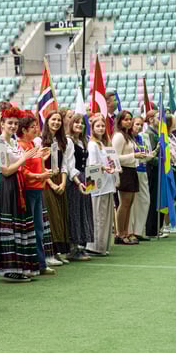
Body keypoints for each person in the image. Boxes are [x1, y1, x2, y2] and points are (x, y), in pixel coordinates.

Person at [0, 107, 39, 281]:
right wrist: (23, 159)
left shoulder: (13, 142)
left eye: (15, 123)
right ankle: (9, 267)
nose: (13, 126)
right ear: (2, 123)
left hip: (18, 183)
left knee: (20, 223)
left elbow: (20, 165)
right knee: (9, 223)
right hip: (6, 185)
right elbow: (5, 171)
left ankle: (21, 266)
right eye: (9, 123)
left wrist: (31, 157)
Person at [18, 115, 55, 276]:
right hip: (29, 190)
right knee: (31, 228)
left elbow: (34, 167)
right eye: (32, 127)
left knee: (39, 228)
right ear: (24, 130)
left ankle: (40, 263)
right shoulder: (21, 146)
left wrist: (44, 169)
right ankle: (34, 264)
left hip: (38, 189)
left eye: (36, 126)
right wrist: (40, 176)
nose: (36, 129)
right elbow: (23, 171)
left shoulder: (33, 144)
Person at [40, 110, 71, 263]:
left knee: (60, 216)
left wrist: (63, 182)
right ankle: (49, 253)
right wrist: (51, 183)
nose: (56, 123)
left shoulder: (62, 141)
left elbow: (64, 164)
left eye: (59, 120)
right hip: (46, 181)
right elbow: (39, 165)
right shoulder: (40, 141)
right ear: (47, 121)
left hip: (59, 180)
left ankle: (57, 251)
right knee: (50, 217)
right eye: (53, 119)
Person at [112, 110, 146, 245]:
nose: (129, 122)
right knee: (124, 204)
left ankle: (125, 232)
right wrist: (134, 156)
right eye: (125, 119)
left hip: (131, 169)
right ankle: (120, 234)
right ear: (120, 121)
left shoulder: (128, 136)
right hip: (124, 171)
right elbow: (115, 157)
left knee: (129, 203)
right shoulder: (119, 136)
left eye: (130, 119)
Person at [86, 114, 118, 256]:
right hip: (97, 185)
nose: (101, 128)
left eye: (103, 126)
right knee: (98, 216)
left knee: (105, 217)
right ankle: (95, 246)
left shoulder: (102, 143)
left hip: (107, 184)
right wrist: (104, 168)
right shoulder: (92, 144)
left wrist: (113, 166)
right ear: (92, 128)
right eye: (97, 126)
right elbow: (93, 165)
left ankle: (103, 246)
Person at [64, 113, 94, 260]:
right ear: (71, 124)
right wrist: (77, 180)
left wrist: (91, 182)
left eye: (82, 123)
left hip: (84, 177)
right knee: (75, 212)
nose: (79, 125)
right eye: (76, 122)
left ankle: (81, 246)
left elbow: (88, 164)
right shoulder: (69, 141)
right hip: (74, 180)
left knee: (84, 211)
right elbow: (69, 164)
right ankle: (73, 247)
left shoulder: (84, 141)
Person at [128, 116, 153, 241]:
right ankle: (130, 231)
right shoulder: (127, 138)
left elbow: (147, 155)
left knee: (144, 200)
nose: (139, 127)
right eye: (137, 124)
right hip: (131, 170)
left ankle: (139, 230)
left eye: (141, 125)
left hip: (143, 171)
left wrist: (153, 153)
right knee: (132, 202)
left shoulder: (143, 138)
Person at [142, 109, 163, 238]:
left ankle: (156, 227)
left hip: (158, 168)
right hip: (153, 169)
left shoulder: (157, 132)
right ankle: (151, 228)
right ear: (151, 119)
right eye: (158, 118)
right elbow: (150, 155)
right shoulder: (149, 134)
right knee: (153, 198)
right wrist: (161, 163)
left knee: (157, 198)